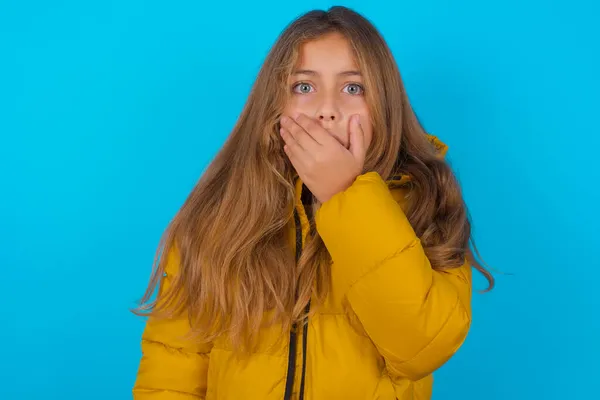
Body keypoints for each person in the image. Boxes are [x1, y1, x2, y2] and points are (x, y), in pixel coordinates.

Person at [132, 6, 493, 400]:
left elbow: (424, 344)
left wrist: (346, 197)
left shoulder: (427, 203)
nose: (327, 109)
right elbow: (172, 371)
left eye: (353, 88)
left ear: (383, 104)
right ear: (275, 104)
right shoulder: (220, 213)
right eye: (304, 87)